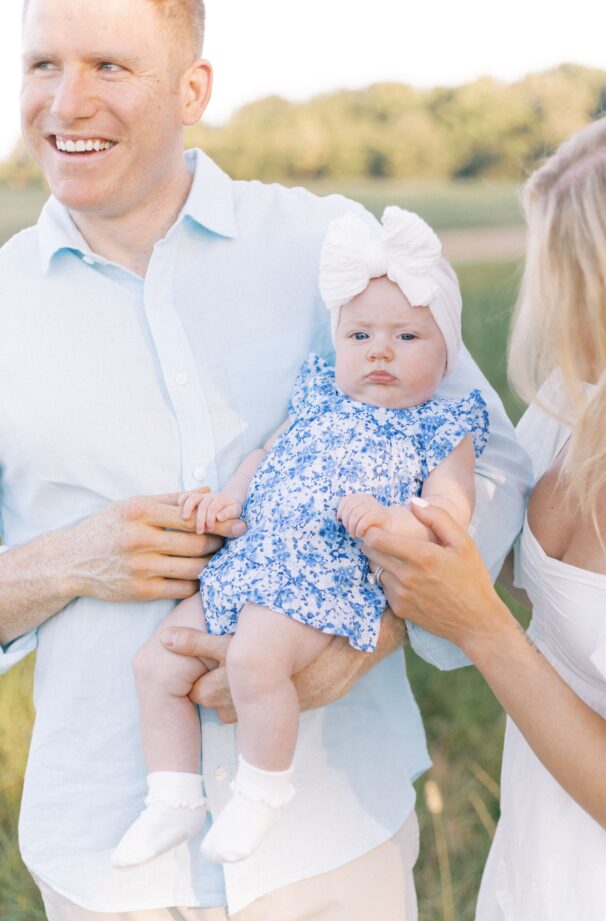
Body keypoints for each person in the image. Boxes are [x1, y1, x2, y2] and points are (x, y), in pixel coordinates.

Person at [0, 0, 530, 921]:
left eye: (110, 63)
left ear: (192, 90)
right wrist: (67, 560)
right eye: (41, 65)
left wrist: (372, 633)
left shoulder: (331, 245)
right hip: (109, 848)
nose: (67, 102)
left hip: (336, 818)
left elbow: (489, 455)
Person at [363, 97, 606, 921]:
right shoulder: (581, 408)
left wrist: (481, 625)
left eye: (568, 278)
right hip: (544, 880)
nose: (545, 303)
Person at [113, 206, 489, 869]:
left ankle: (262, 789)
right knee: (156, 664)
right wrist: (227, 501)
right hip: (251, 558)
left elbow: (449, 513)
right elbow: (266, 452)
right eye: (360, 334)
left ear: (446, 351)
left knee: (255, 661)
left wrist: (387, 520)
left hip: (326, 574)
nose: (379, 350)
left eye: (407, 336)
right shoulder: (318, 395)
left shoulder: (440, 425)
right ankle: (171, 796)